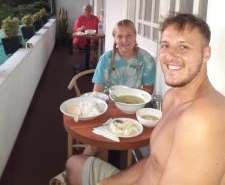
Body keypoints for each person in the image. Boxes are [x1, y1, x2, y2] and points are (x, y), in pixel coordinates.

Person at [65, 13, 225, 185]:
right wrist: (108, 182)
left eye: (183, 47)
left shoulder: (203, 118)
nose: (170, 55)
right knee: (73, 164)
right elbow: (155, 161)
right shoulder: (171, 98)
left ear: (206, 53)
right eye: (165, 45)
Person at [92, 19, 156, 94]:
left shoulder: (147, 59)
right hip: (109, 101)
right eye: (119, 36)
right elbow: (97, 91)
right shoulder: (105, 59)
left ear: (135, 36)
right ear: (115, 39)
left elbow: (148, 90)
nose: (124, 40)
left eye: (128, 35)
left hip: (135, 101)